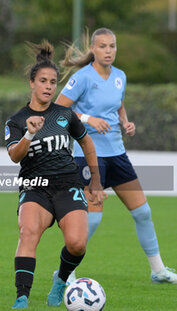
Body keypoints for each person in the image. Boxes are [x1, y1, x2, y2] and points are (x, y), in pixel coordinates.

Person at [55, 28, 177, 284]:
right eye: (102, 46)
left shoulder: (120, 76)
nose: (108, 51)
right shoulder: (83, 78)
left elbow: (118, 103)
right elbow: (58, 110)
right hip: (89, 157)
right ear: (93, 50)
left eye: (112, 46)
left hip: (117, 155)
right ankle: (65, 273)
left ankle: (158, 270)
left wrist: (125, 121)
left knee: (142, 212)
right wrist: (89, 119)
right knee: (94, 219)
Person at [5, 40, 106, 309]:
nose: (49, 86)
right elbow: (15, 155)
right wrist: (29, 133)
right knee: (28, 233)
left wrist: (95, 181)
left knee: (77, 244)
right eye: (43, 81)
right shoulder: (17, 120)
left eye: (53, 82)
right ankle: (22, 296)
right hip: (35, 186)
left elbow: (87, 143)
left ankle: (61, 280)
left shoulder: (64, 114)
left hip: (67, 184)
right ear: (32, 83)